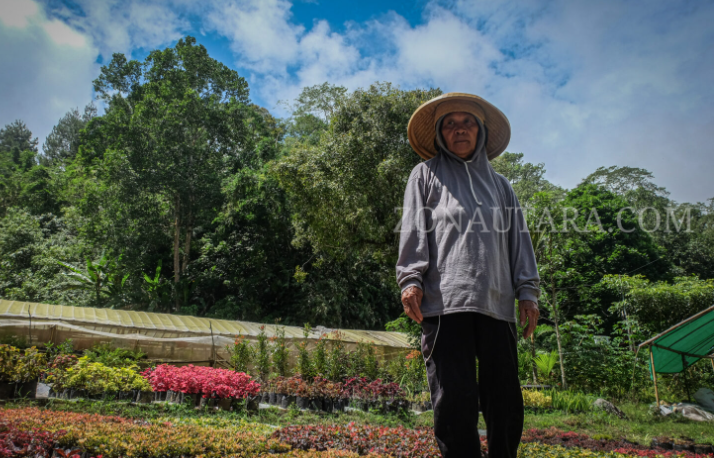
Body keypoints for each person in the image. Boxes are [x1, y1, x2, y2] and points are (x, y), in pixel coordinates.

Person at [396, 92, 541, 458]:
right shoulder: (425, 175)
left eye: (467, 123)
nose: (459, 129)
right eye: (450, 123)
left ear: (480, 131)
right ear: (441, 134)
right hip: (446, 305)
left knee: (505, 399)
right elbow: (414, 231)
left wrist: (528, 291)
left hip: (497, 304)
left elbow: (518, 242)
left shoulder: (501, 186)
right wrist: (410, 280)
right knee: (454, 399)